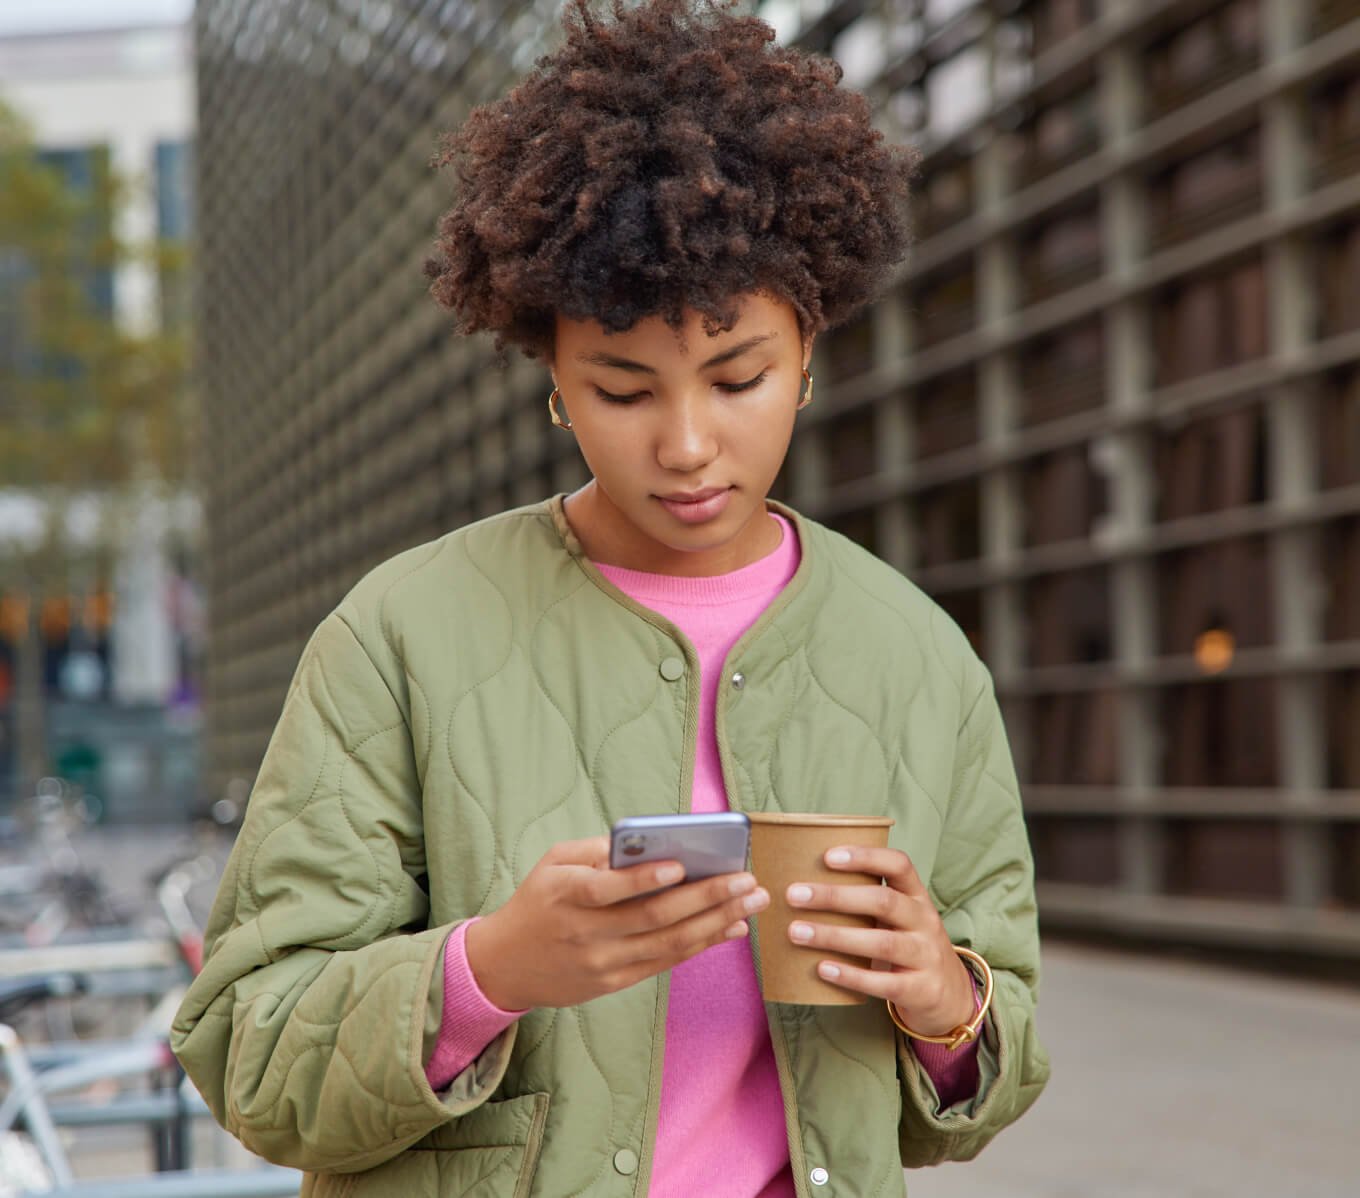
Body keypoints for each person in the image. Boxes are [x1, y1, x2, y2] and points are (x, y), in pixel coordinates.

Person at [171, 2, 1050, 1195]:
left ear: (808, 354)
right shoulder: (402, 637)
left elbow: (976, 1086)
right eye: (623, 388)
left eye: (737, 376)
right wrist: (488, 970)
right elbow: (247, 1053)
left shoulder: (917, 656)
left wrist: (944, 1001)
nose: (687, 444)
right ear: (552, 379)